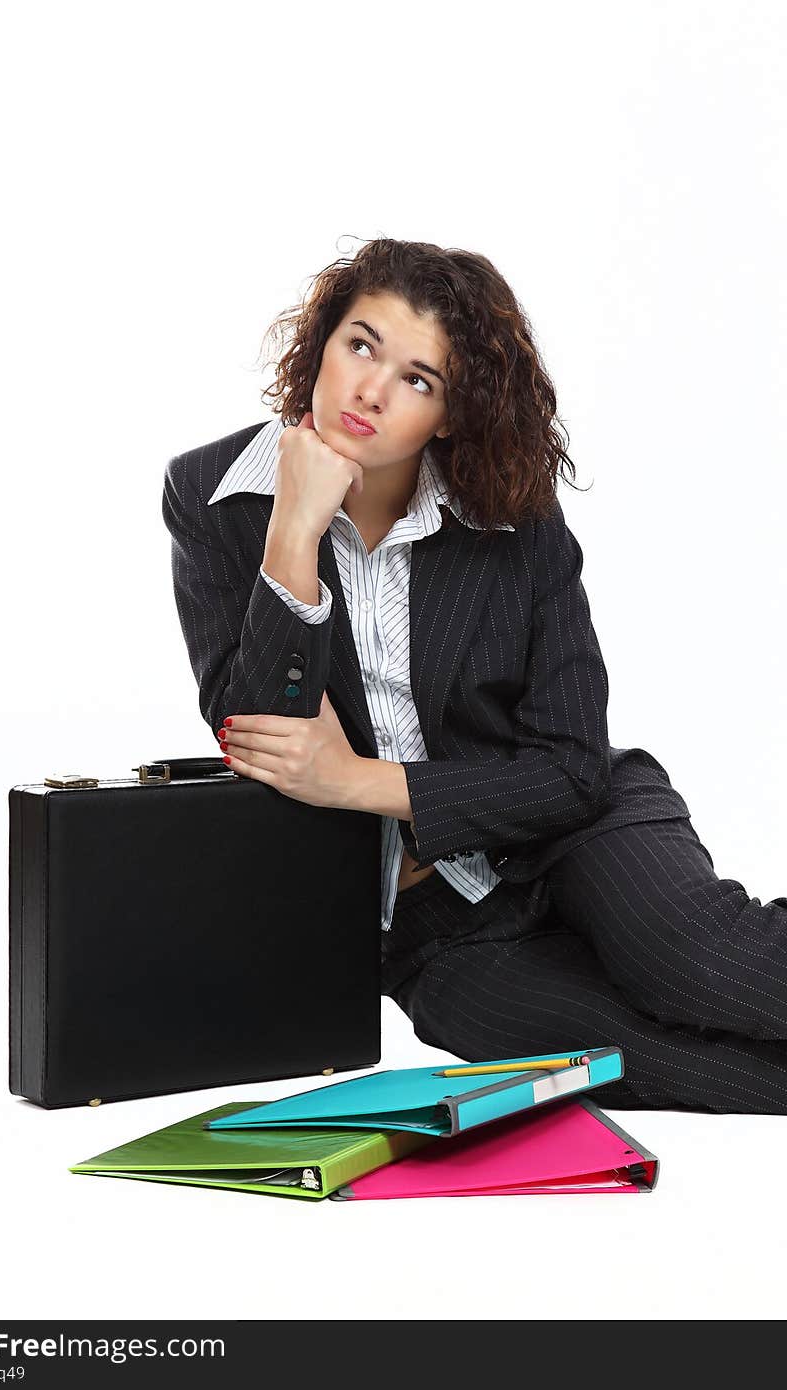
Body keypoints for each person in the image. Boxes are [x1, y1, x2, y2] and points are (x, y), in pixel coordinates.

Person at [162, 236, 787, 1113]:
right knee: (664, 1063)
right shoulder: (214, 495)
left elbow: (571, 767)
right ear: (323, 341)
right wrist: (293, 536)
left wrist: (359, 782)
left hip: (582, 829)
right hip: (431, 937)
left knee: (700, 970)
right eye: (361, 344)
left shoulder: (513, 509)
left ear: (450, 415)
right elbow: (267, 740)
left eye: (419, 379)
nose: (372, 390)